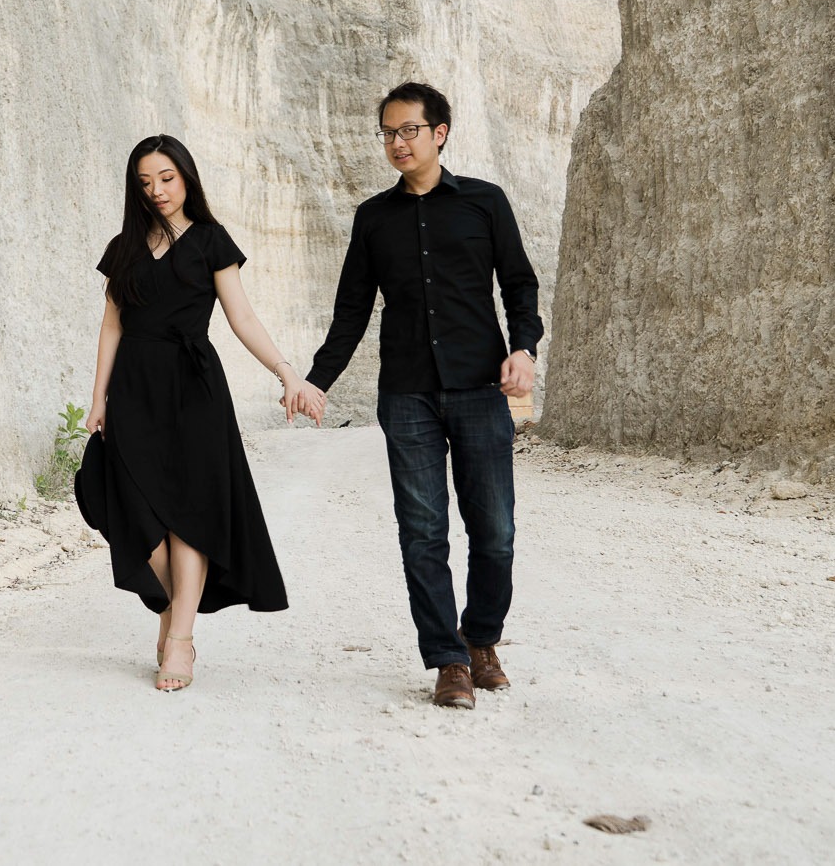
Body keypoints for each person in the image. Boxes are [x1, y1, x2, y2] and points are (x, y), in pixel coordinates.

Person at [299, 82, 541, 710]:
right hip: (407, 395)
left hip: (480, 389)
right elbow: (352, 310)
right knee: (423, 532)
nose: (397, 142)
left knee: (495, 532)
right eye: (388, 132)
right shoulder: (373, 218)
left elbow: (519, 285)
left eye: (408, 130)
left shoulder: (485, 202)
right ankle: (448, 659)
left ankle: (481, 639)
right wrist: (317, 380)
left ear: (439, 133)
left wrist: (524, 349)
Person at [76, 134, 323, 691]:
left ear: (186, 177)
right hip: (134, 390)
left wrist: (287, 373)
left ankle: (180, 637)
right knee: (135, 511)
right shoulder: (124, 247)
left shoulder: (212, 241)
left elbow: (242, 318)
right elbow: (112, 325)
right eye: (145, 182)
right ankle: (172, 608)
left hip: (194, 389)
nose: (157, 191)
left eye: (166, 178)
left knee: (190, 513)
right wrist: (98, 399)